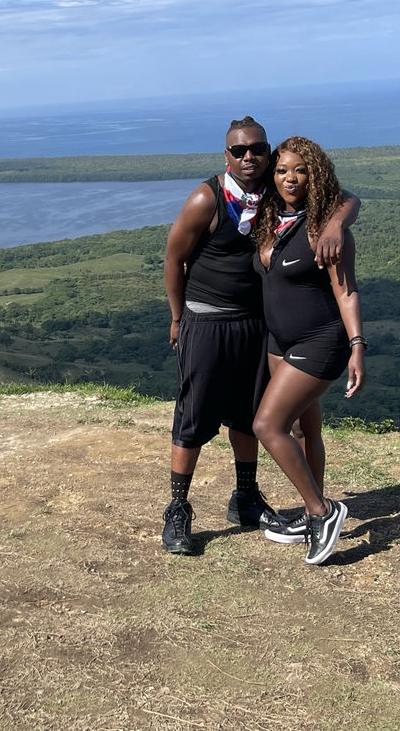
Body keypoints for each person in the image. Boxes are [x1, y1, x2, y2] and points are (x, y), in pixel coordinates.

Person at [161, 117, 360, 555]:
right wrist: (178, 318)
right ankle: (178, 510)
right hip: (208, 319)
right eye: (239, 151)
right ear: (226, 156)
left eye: (257, 149)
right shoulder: (208, 198)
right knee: (194, 414)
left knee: (248, 412)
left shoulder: (273, 189)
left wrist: (335, 226)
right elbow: (173, 259)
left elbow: (347, 198)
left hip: (257, 323)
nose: (249, 156)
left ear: (268, 153)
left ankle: (247, 497)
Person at [249, 136, 366, 565]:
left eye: (301, 170)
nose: (290, 178)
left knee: (267, 425)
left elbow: (346, 292)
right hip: (279, 341)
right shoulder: (270, 218)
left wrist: (357, 345)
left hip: (320, 340)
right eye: (282, 170)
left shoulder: (325, 229)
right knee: (303, 429)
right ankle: (310, 510)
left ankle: (323, 511)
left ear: (316, 176)